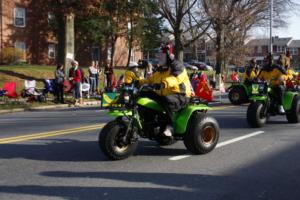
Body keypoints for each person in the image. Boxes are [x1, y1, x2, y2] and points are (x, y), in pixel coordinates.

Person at [139, 36, 191, 137]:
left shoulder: (177, 66)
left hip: (180, 95)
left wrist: (163, 84)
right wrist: (137, 82)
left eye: (161, 56)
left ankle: (170, 127)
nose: (159, 58)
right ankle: (148, 121)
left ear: (168, 56)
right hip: (163, 93)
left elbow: (175, 78)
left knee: (168, 99)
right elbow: (150, 80)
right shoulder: (161, 69)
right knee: (142, 94)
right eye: (158, 56)